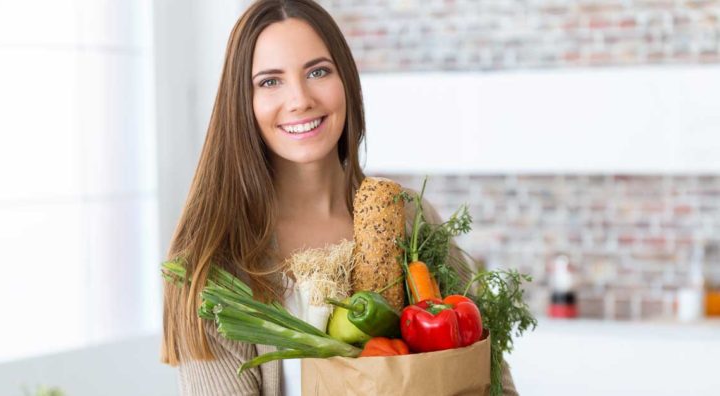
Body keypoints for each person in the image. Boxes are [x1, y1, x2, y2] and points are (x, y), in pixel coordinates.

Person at [161, 1, 518, 395]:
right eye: (269, 81)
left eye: (317, 71)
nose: (299, 99)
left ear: (346, 80)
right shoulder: (215, 262)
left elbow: (493, 380)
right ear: (242, 104)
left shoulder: (411, 218)